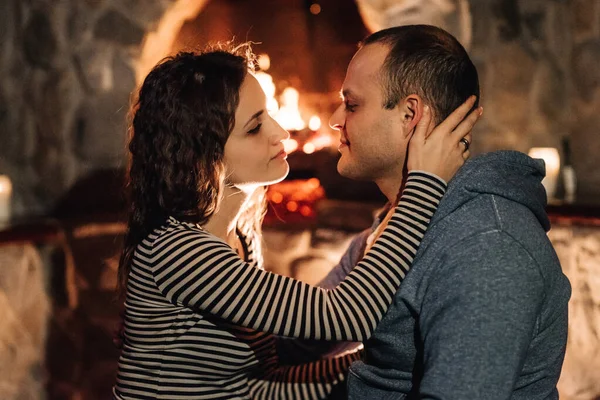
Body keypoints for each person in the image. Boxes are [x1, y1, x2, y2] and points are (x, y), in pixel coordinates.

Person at [113, 43, 482, 400]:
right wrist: (423, 186)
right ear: (202, 156)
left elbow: (256, 381)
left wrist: (381, 368)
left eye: (270, 115)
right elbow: (346, 316)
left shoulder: (237, 235)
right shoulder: (178, 252)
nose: (281, 133)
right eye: (255, 127)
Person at [322, 24, 571, 399]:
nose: (335, 119)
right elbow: (315, 324)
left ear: (411, 115)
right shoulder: (399, 219)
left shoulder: (487, 245)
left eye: (352, 104)